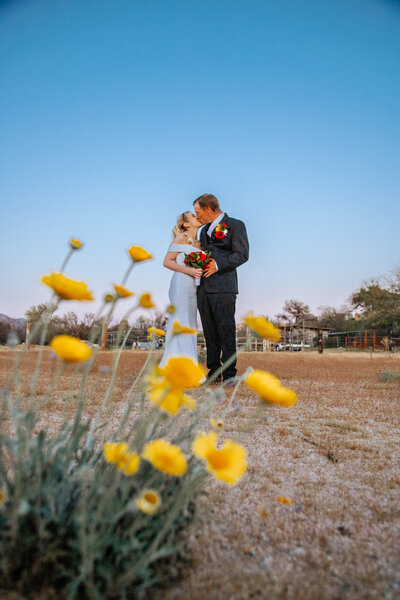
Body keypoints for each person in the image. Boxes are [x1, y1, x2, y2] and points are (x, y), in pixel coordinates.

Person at [193, 194, 249, 383]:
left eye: (198, 212)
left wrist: (217, 264)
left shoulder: (235, 225)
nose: (196, 216)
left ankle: (230, 374)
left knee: (226, 329)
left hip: (224, 287)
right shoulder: (203, 231)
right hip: (203, 288)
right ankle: (214, 372)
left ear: (209, 209)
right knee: (209, 331)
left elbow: (241, 254)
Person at [159, 211, 203, 367]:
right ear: (186, 224)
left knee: (190, 323)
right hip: (181, 283)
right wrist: (190, 270)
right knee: (181, 320)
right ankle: (175, 366)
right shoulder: (181, 238)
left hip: (194, 286)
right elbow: (167, 262)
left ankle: (189, 366)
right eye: (192, 215)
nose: (196, 215)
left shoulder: (200, 242)